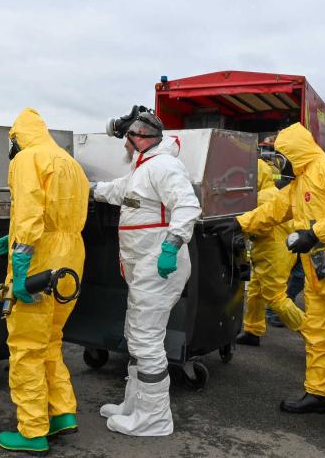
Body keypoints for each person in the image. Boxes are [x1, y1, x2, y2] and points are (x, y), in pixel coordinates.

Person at [220, 122, 325, 442]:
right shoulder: (295, 186)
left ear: (295, 153)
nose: (278, 164)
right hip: (318, 271)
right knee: (317, 335)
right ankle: (318, 394)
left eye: (281, 157)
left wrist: (314, 234)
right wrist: (233, 224)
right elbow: (270, 213)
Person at [92, 106, 201, 436]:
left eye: (125, 140)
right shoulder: (144, 168)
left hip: (158, 265)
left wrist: (171, 246)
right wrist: (83, 187)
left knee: (146, 341)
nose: (123, 146)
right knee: (136, 336)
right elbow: (118, 191)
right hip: (143, 268)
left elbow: (187, 205)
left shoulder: (164, 166)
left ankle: (154, 418)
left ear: (137, 138)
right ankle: (134, 405)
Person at [0, 108, 90, 455]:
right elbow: (56, 211)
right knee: (51, 338)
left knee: (26, 347)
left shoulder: (28, 159)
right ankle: (61, 412)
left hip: (41, 256)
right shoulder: (69, 162)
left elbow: (30, 210)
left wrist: (20, 265)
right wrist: (14, 235)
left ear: (18, 138)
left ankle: (32, 430)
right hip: (71, 253)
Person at [236, 158, 305, 346]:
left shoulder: (262, 197)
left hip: (273, 251)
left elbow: (261, 227)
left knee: (276, 298)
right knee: (255, 292)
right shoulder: (271, 191)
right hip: (273, 250)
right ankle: (253, 330)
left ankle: (314, 334)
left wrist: (238, 227)